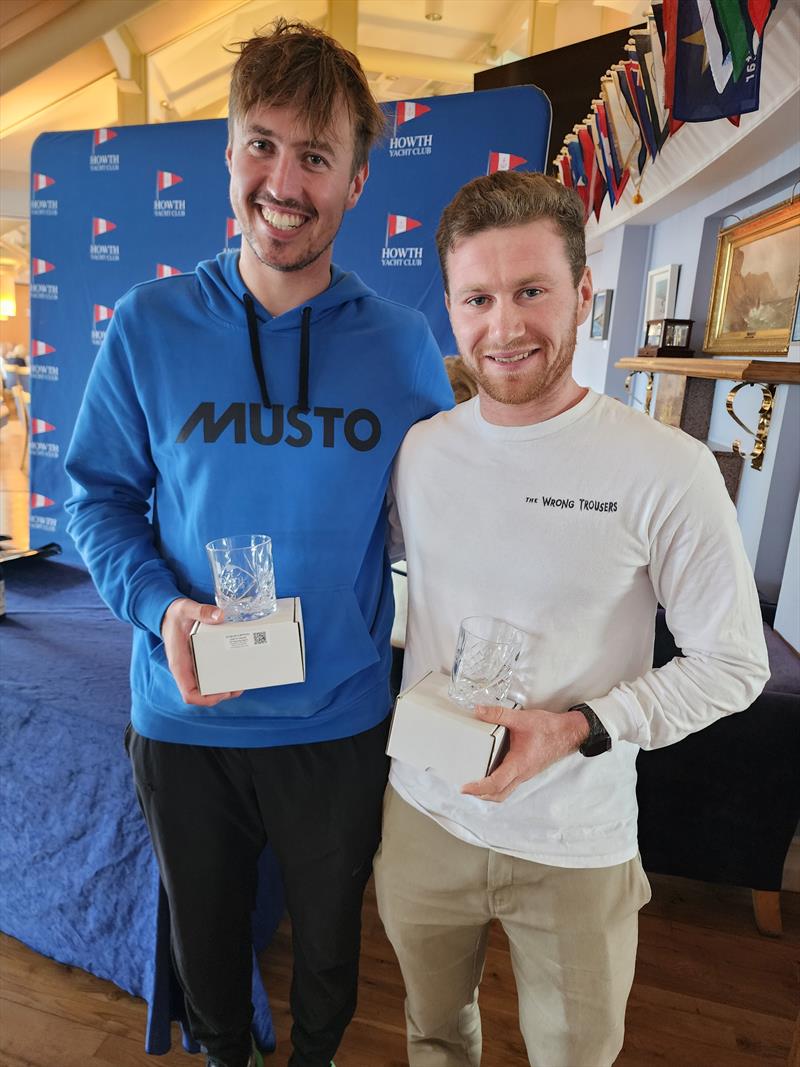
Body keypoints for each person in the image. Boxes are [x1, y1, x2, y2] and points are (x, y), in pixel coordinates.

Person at [65, 19, 452, 1067]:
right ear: (230, 152)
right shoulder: (147, 324)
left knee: (330, 949)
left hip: (335, 719)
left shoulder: (401, 346)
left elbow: (446, 516)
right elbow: (94, 501)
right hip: (188, 720)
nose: (284, 181)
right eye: (263, 145)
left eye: (315, 157)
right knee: (205, 946)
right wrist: (162, 607)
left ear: (357, 180)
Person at [375, 170, 769, 1067]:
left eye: (531, 291)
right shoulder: (421, 453)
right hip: (424, 814)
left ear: (583, 294)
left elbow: (733, 661)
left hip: (574, 837)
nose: (504, 327)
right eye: (478, 297)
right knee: (434, 1036)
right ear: (449, 305)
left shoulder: (664, 468)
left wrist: (584, 725)